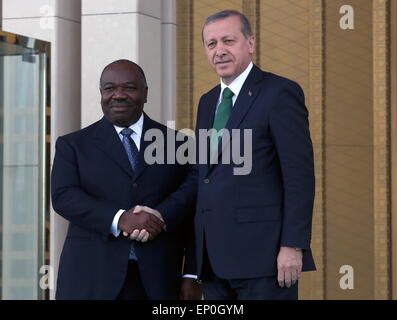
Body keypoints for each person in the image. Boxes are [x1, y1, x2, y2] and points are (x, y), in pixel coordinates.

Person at [134, 10, 316, 300]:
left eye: (228, 41)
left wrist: (293, 245)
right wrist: (161, 214)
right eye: (212, 44)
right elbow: (200, 177)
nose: (219, 51)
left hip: (265, 260)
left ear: (250, 43)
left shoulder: (280, 93)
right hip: (214, 264)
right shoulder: (207, 103)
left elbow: (299, 176)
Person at [51, 59, 201, 300]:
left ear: (145, 93)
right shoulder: (73, 145)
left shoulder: (179, 144)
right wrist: (120, 219)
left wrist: (192, 274)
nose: (118, 95)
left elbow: (194, 207)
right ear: (101, 94)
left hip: (159, 279)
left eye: (129, 87)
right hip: (91, 279)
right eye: (109, 88)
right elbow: (63, 197)